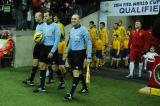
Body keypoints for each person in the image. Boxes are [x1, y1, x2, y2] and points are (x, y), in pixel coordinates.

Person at [64, 14, 92, 100]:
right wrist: (66, 52)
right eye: (72, 19)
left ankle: (70, 94)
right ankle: (85, 87)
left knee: (75, 72)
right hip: (72, 53)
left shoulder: (84, 30)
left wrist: (89, 56)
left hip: (80, 53)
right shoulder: (71, 30)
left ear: (79, 20)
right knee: (78, 72)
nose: (73, 20)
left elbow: (89, 43)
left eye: (75, 19)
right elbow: (70, 43)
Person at [33, 10, 61, 92]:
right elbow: (43, 37)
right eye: (44, 16)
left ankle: (62, 81)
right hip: (44, 48)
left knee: (54, 68)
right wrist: (38, 40)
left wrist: (52, 51)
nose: (44, 18)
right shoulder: (43, 25)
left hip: (52, 48)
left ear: (51, 17)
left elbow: (57, 40)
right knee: (42, 65)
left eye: (46, 16)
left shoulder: (56, 26)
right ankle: (42, 87)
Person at [23, 12, 44, 86]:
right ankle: (31, 80)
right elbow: (36, 35)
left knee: (49, 66)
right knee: (35, 63)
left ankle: (61, 80)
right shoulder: (37, 25)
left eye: (36, 17)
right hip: (37, 45)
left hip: (43, 47)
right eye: (35, 17)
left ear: (40, 17)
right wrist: (36, 39)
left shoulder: (45, 26)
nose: (35, 18)